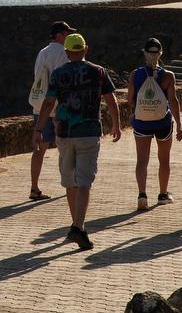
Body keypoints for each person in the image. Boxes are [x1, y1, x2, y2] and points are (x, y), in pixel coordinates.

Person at [34, 32, 121, 250]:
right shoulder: (98, 72)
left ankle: (76, 224)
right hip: (89, 132)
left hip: (64, 133)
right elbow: (111, 100)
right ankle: (78, 227)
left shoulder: (58, 73)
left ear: (66, 52)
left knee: (70, 181)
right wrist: (117, 125)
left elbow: (48, 103)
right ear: (85, 49)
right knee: (84, 182)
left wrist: (38, 129)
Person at [129, 37, 182, 210]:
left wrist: (137, 112)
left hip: (141, 124)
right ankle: (163, 194)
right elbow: (173, 101)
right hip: (163, 124)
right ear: (160, 54)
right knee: (164, 160)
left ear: (145, 53)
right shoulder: (168, 76)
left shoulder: (135, 74)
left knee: (141, 161)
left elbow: (130, 100)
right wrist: (179, 125)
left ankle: (142, 195)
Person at [26, 20, 75, 201]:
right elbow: (63, 81)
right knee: (66, 148)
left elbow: (38, 77)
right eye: (67, 33)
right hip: (57, 107)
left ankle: (34, 187)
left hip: (39, 106)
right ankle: (69, 184)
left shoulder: (42, 52)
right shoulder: (63, 52)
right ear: (59, 35)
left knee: (40, 149)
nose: (69, 36)